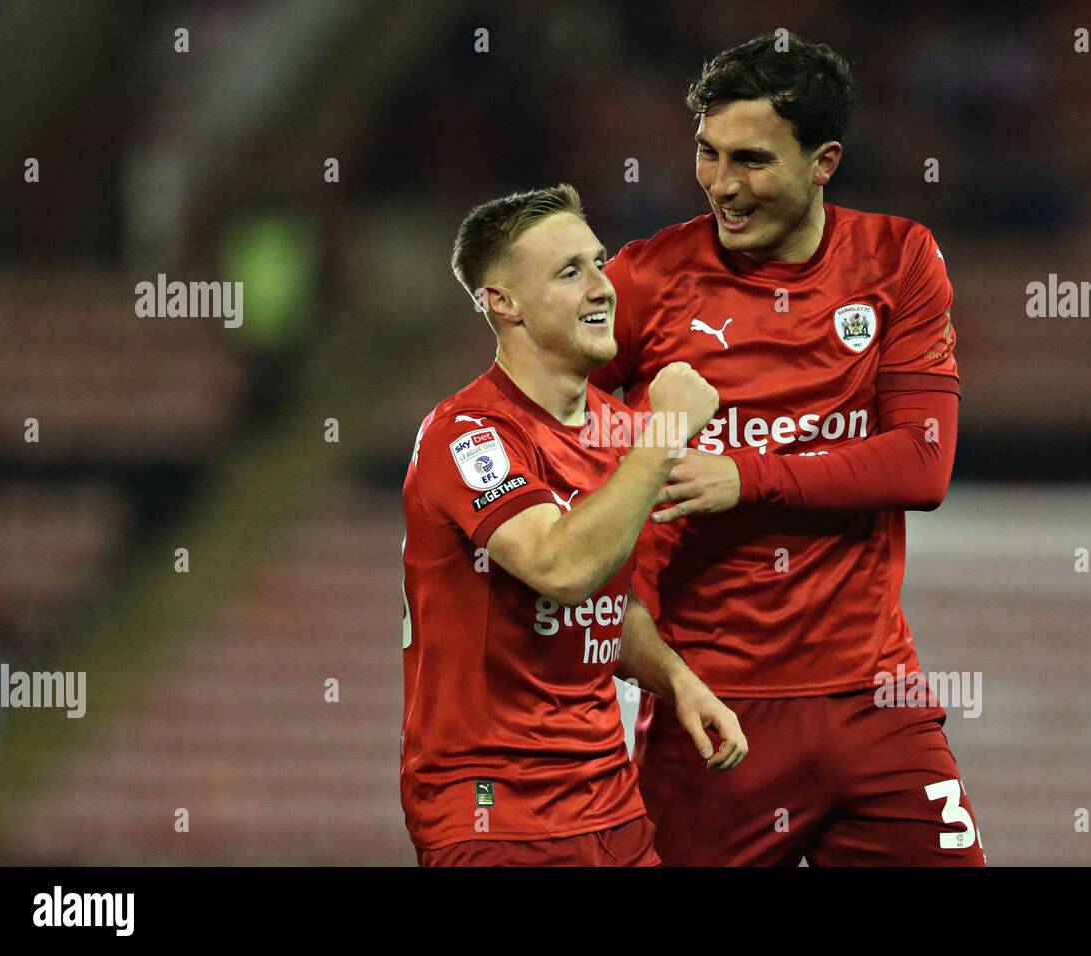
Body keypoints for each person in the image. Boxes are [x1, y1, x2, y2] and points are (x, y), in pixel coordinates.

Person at [590, 33, 985, 866]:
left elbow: (922, 464)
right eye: (707, 154)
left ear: (824, 161)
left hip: (879, 698)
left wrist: (747, 475)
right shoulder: (645, 281)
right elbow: (548, 420)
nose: (722, 187)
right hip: (716, 709)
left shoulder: (899, 260)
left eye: (752, 160)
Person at [400, 183, 747, 866]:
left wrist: (676, 678)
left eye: (599, 262)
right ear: (503, 302)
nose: (602, 286)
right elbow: (559, 570)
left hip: (610, 805)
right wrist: (669, 430)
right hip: (493, 814)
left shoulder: (621, 432)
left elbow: (604, 603)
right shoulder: (467, 435)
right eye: (570, 272)